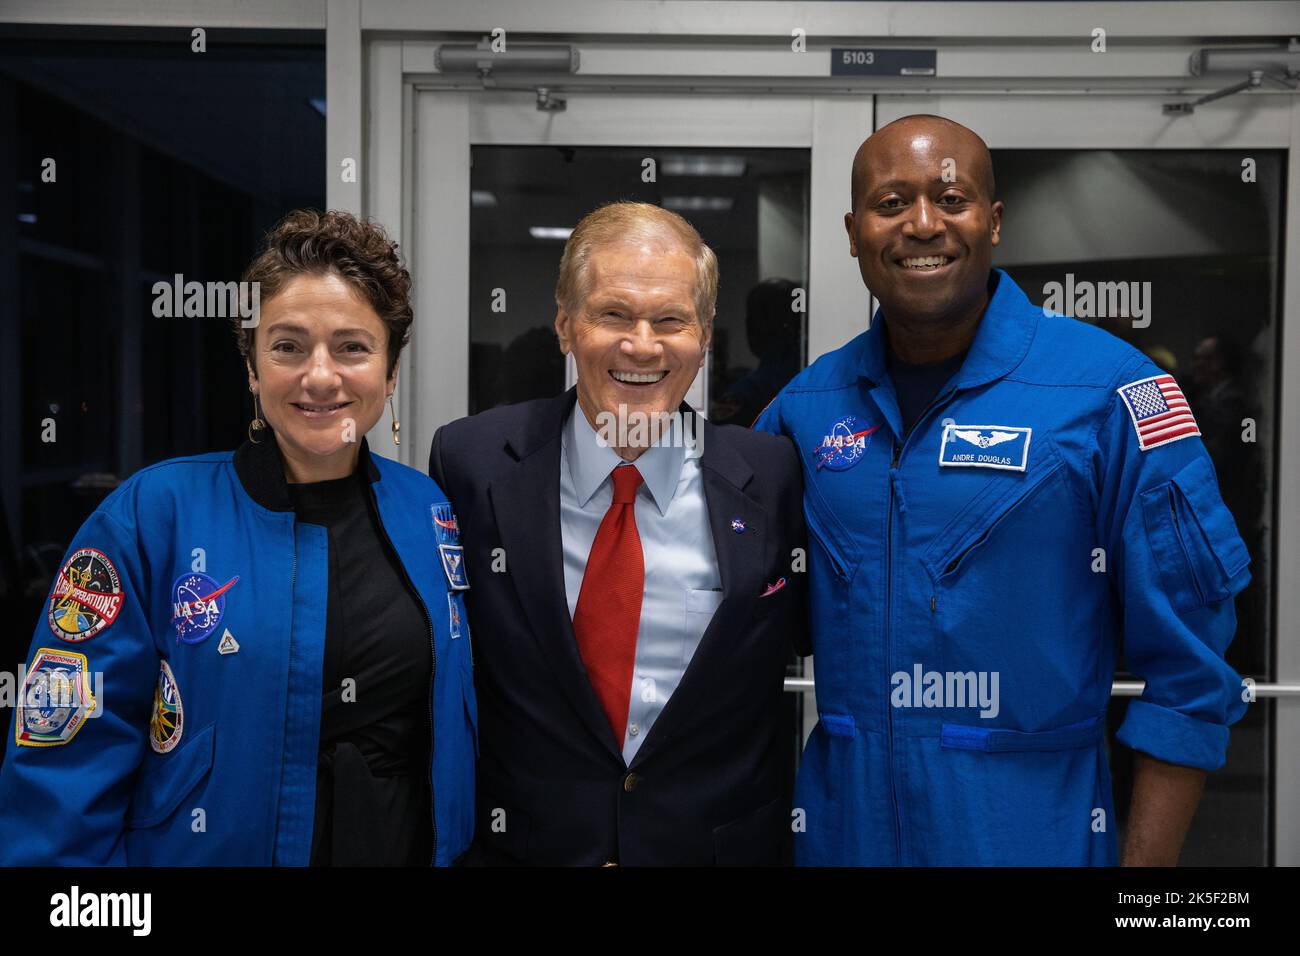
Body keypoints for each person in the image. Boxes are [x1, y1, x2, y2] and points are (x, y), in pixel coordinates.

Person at [755, 115, 1250, 866]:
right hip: (840, 837)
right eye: (891, 204)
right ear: (853, 234)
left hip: (1031, 836)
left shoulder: (1114, 393)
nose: (922, 224)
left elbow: (1188, 677)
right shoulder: (805, 408)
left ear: (994, 221)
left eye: (949, 199)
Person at [0, 210, 476, 866]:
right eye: (287, 346)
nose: (319, 376)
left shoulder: (429, 511)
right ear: (252, 368)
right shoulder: (152, 516)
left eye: (352, 347)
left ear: (390, 373)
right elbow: (64, 750)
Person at [429, 201, 808, 865]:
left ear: (706, 336)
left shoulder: (771, 474)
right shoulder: (474, 463)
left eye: (670, 320)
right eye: (613, 314)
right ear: (565, 325)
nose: (642, 344)